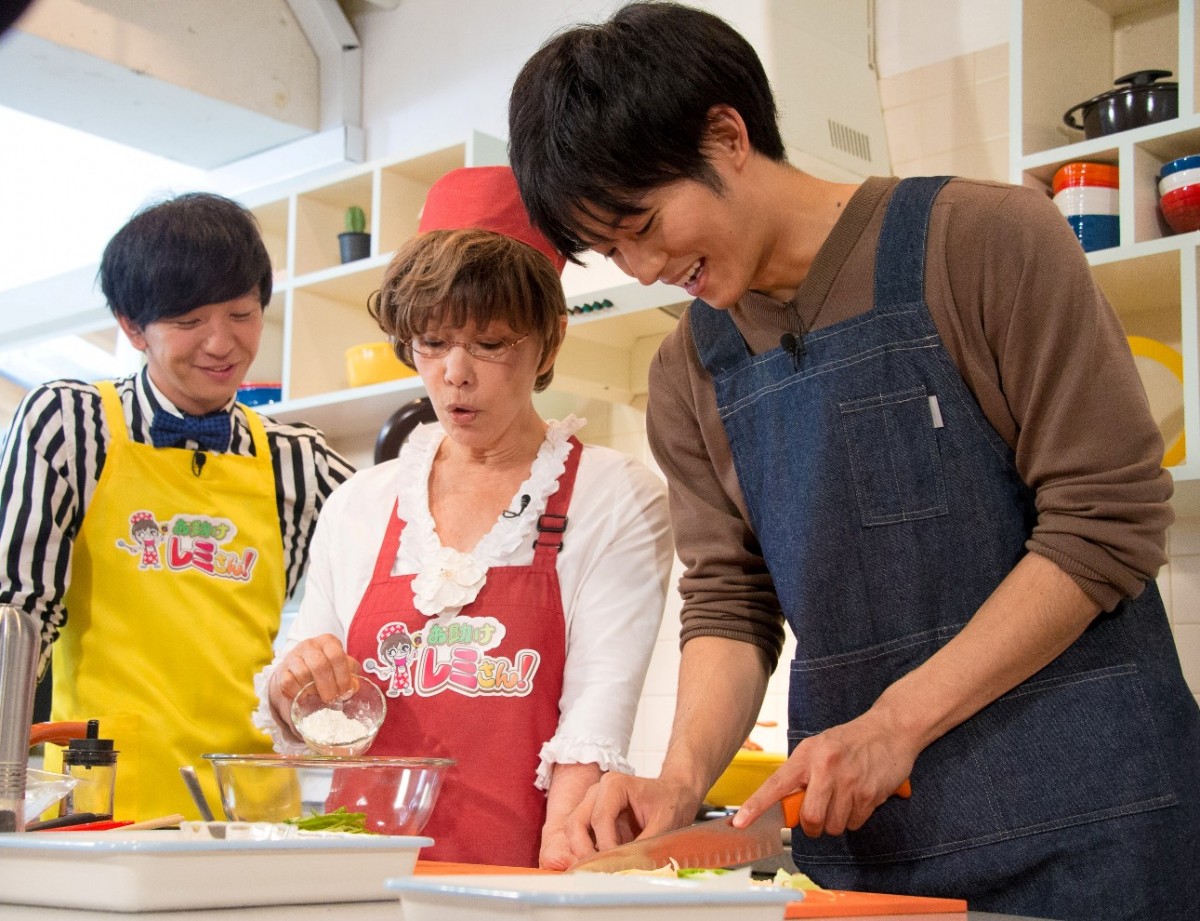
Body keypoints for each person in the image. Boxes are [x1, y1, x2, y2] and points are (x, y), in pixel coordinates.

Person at [506, 3, 1200, 918]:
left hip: (1099, 828)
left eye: (641, 222)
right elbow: (731, 601)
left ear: (728, 134)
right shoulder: (688, 373)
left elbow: (1104, 524)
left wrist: (894, 723)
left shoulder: (987, 241)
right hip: (878, 861)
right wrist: (675, 782)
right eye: (609, 248)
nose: (638, 268)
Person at [255, 165, 674, 869]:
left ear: (550, 337)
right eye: (432, 342)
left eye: (490, 344)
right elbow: (306, 714)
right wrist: (293, 680)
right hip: (359, 882)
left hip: (521, 878)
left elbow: (596, 715)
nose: (455, 372)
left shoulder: (614, 495)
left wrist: (549, 892)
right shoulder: (361, 503)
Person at [0, 192, 355, 821]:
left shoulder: (299, 461)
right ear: (132, 326)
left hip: (253, 806)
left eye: (242, 313)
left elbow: (403, 552)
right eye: (189, 322)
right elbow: (19, 616)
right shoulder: (71, 425)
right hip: (102, 797)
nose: (222, 343)